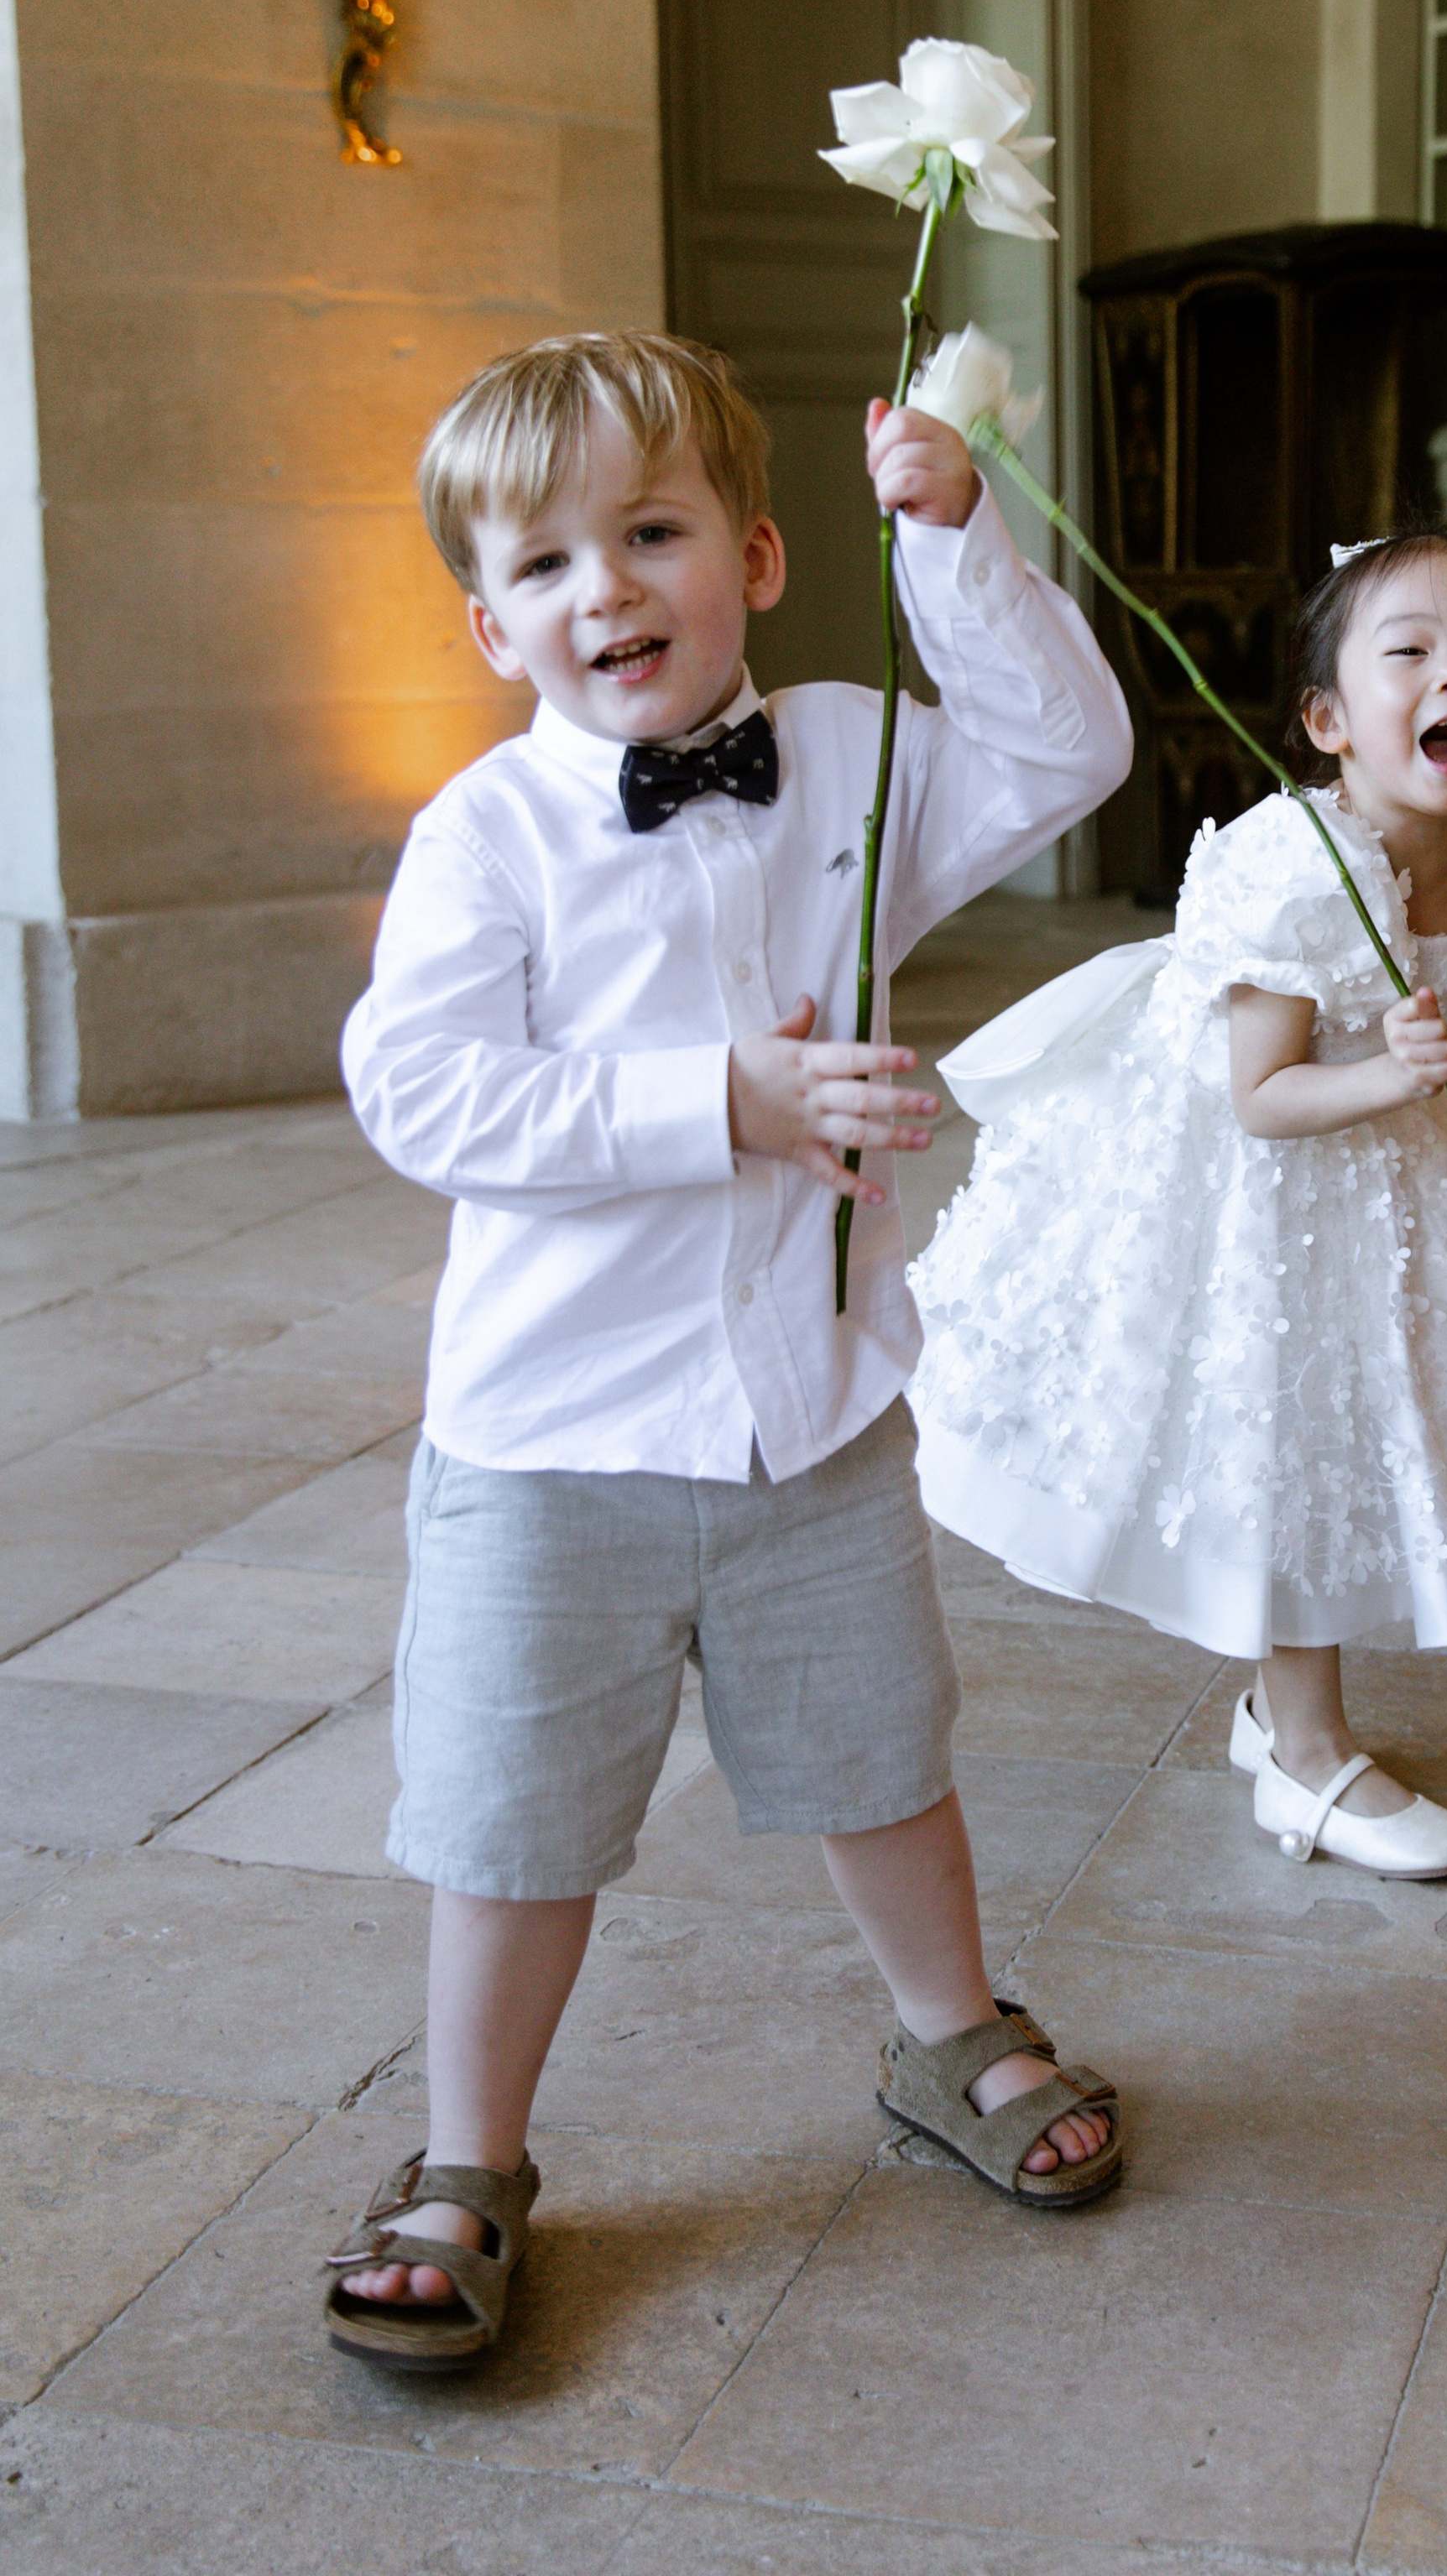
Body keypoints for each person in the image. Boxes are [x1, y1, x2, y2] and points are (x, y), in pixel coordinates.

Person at [326, 331, 1135, 2372]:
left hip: (814, 1418)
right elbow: (425, 1097)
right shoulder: (487, 834)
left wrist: (954, 542)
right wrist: (722, 1108)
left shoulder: (857, 763)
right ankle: (466, 2158)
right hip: (549, 1448)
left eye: (653, 532)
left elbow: (1064, 757)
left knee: (882, 1755)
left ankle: (950, 2037)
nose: (605, 589)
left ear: (758, 556)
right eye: (547, 562)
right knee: (513, 1823)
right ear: (487, 618)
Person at [912, 525, 1447, 1880]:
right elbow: (1264, 1096)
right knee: (1296, 1429)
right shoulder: (1303, 868)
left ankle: (1277, 1715)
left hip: (1370, 1157)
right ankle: (1302, 1757)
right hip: (1250, 1168)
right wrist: (1391, 1082)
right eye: (1408, 653)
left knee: (1369, 1419)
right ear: (1330, 721)